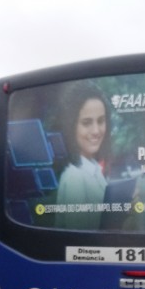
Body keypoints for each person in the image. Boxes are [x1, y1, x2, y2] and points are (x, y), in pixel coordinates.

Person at [55, 83, 112, 229]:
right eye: (87, 123)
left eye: (101, 121)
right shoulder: (74, 177)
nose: (96, 131)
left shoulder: (93, 168)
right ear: (71, 126)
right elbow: (81, 245)